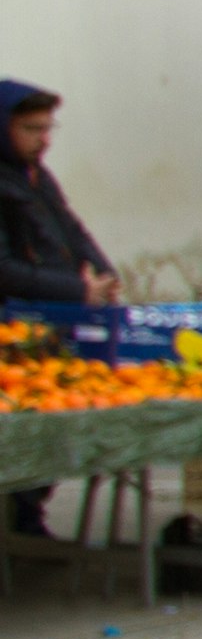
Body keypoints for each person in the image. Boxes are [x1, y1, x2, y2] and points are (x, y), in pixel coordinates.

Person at [0, 80, 118, 537]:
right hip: (14, 330)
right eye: (32, 128)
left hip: (52, 323)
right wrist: (75, 291)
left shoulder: (36, 176)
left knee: (51, 424)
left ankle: (28, 514)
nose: (43, 139)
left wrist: (102, 272)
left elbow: (70, 227)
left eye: (48, 128)